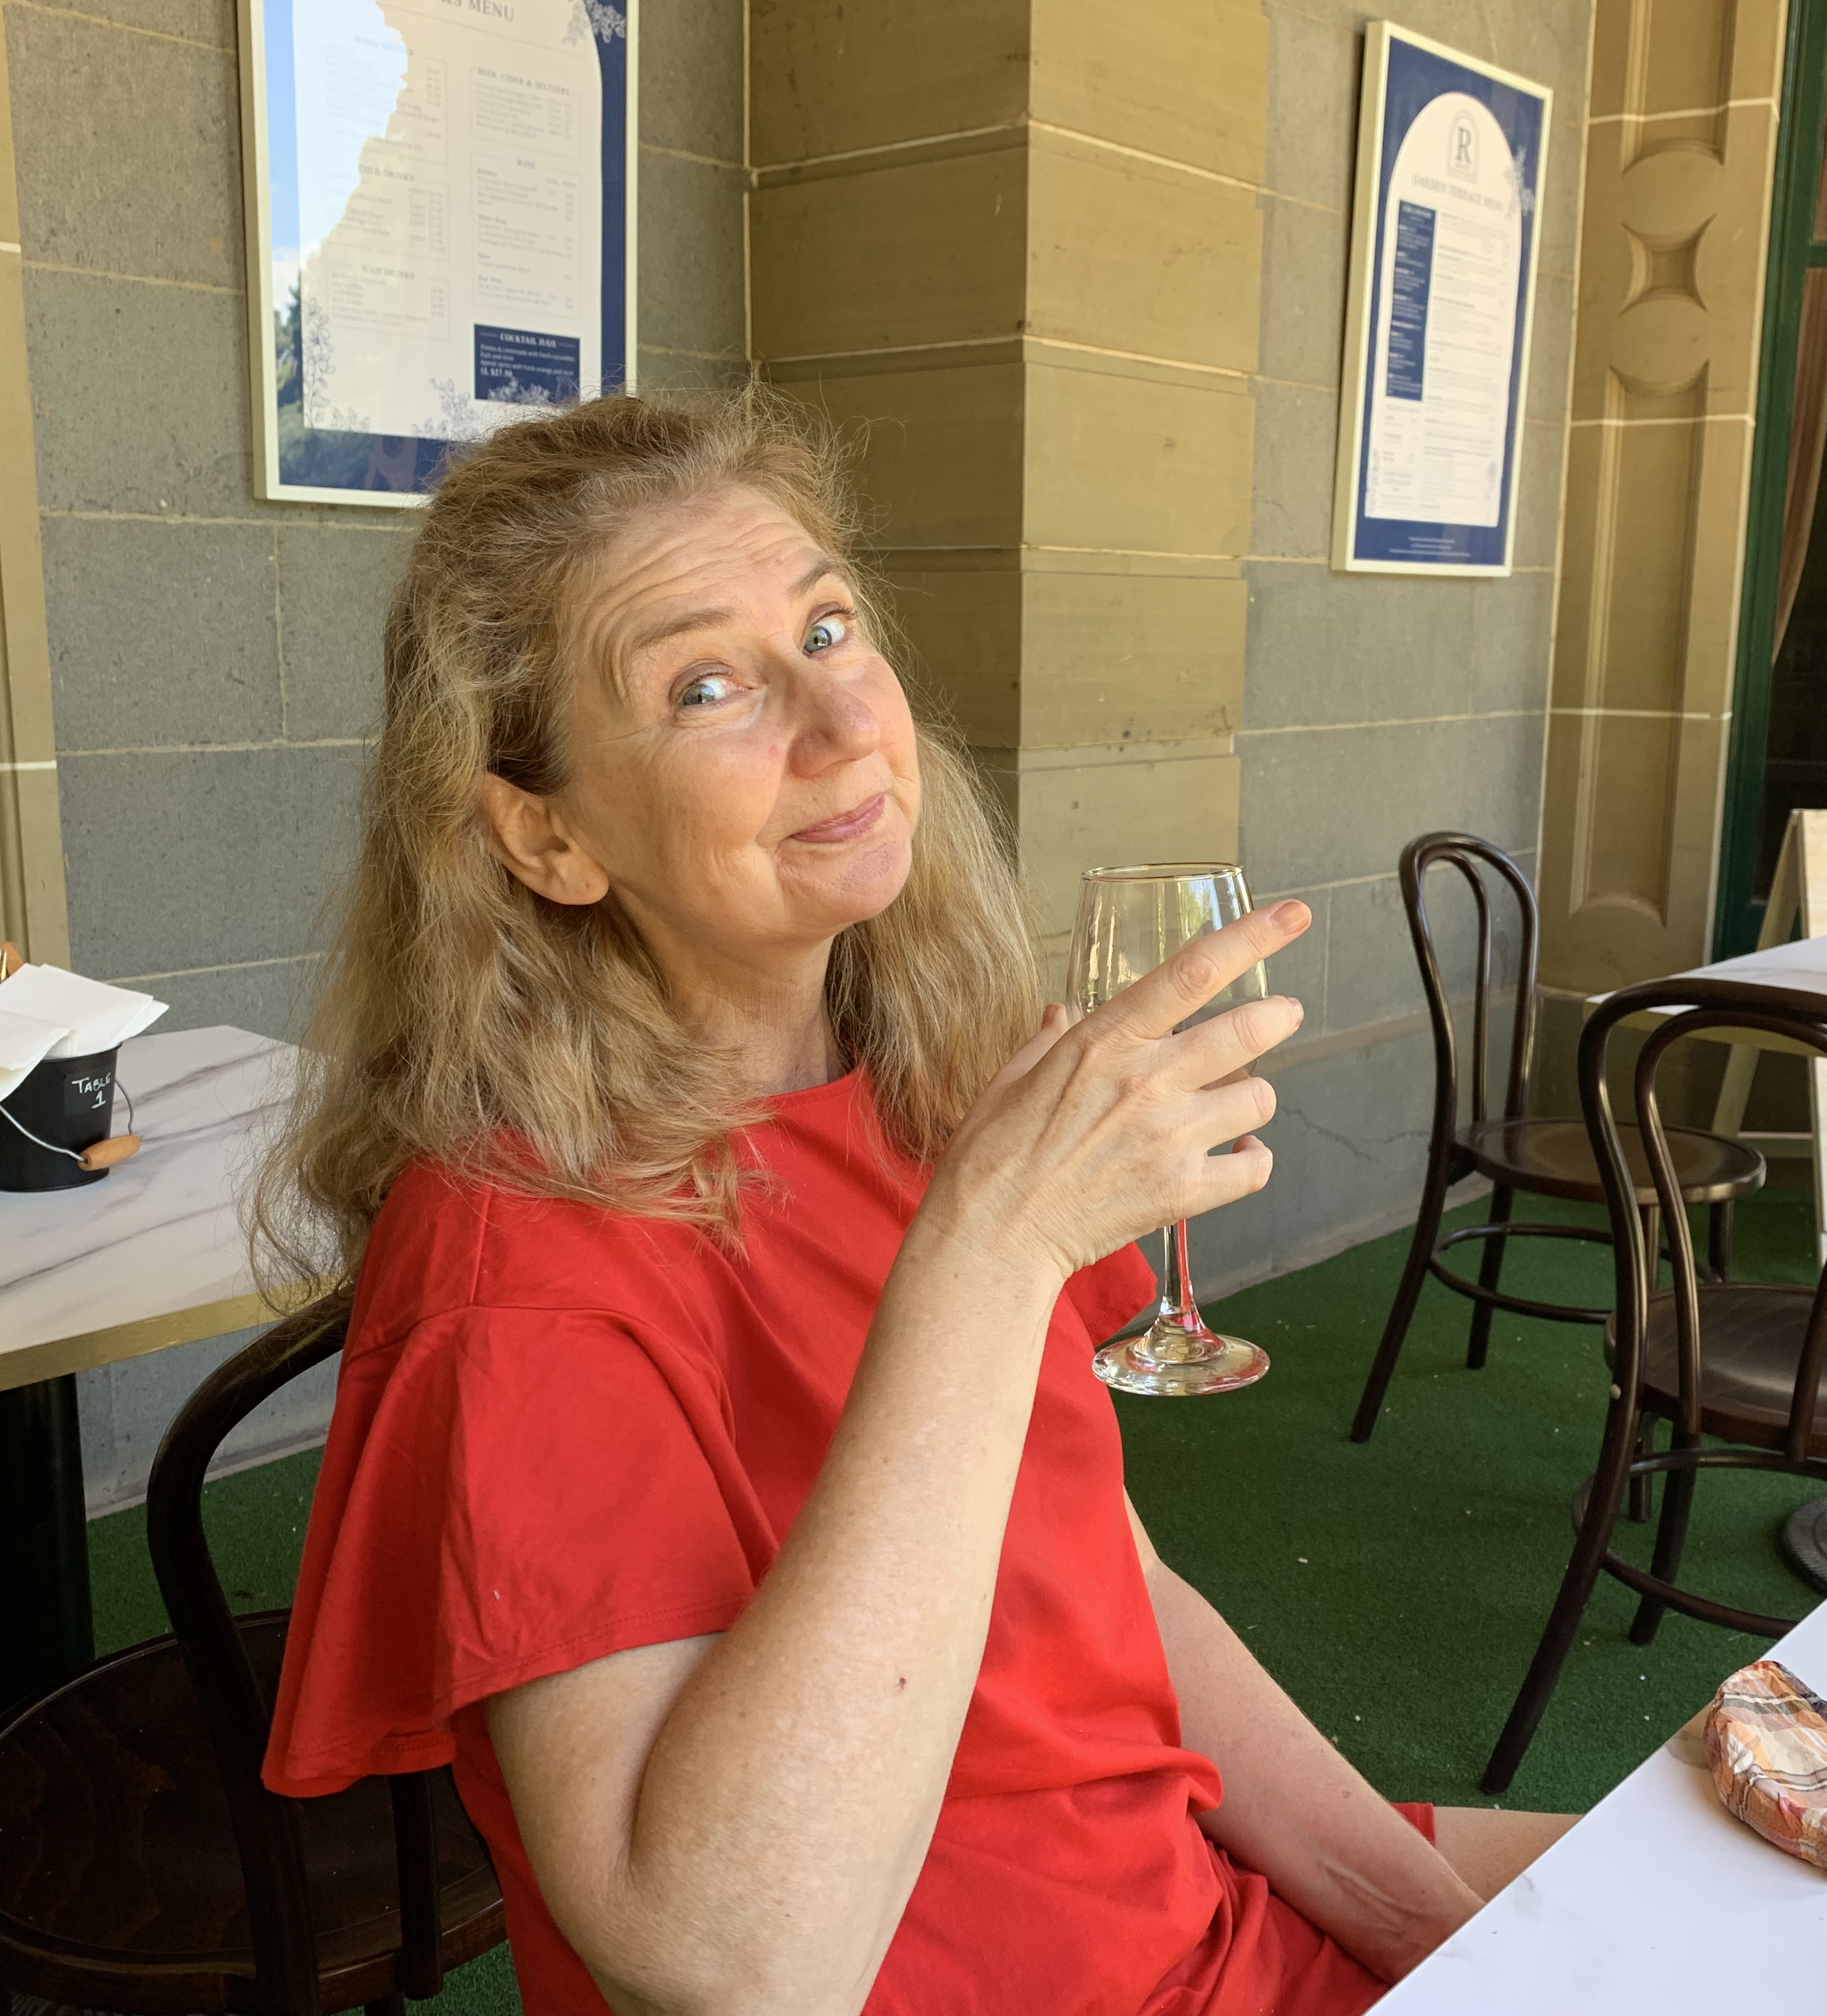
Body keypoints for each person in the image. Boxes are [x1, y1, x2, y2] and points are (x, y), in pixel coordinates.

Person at [257, 391, 1574, 2016]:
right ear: (548, 836)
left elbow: (1115, 1594)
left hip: (1181, 1914)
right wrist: (994, 1247)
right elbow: (732, 1963)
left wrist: (1427, 1927)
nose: (839, 725)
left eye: (828, 625)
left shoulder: (933, 1079)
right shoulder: (515, 1265)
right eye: (707, 685)